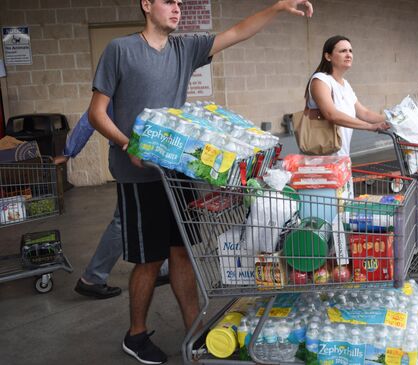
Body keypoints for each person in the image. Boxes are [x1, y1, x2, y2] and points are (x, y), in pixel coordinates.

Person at [88, 0, 314, 364]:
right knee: (149, 260)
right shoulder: (121, 50)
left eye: (179, 2)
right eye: (168, 2)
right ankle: (136, 335)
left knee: (182, 252)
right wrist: (128, 143)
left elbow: (237, 33)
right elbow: (96, 113)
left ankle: (194, 330)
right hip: (139, 174)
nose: (176, 8)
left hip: (177, 171)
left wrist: (277, 7)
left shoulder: (184, 48)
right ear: (147, 5)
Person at [53, 105, 169, 300]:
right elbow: (90, 117)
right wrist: (68, 152)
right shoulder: (119, 81)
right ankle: (93, 278)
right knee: (124, 219)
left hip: (146, 157)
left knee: (151, 212)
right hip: (129, 159)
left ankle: (160, 267)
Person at [305, 35, 390, 157]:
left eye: (350, 51)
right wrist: (370, 127)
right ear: (328, 56)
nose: (348, 54)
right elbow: (331, 114)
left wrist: (393, 118)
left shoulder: (346, 85)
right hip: (322, 161)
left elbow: (364, 113)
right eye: (343, 51)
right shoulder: (320, 80)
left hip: (342, 158)